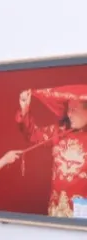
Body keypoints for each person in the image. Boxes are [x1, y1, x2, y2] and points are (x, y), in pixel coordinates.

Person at [15, 87, 87, 217]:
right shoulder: (59, 132)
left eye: (74, 110)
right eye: (69, 109)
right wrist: (24, 109)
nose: (69, 114)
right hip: (57, 207)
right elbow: (33, 135)